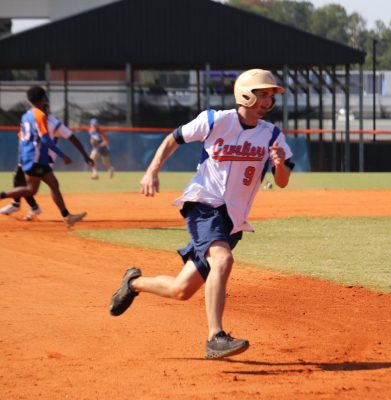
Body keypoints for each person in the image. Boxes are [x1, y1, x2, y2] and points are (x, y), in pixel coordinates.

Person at [109, 69, 294, 360]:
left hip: (232, 220)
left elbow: (281, 181)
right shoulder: (215, 120)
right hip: (203, 204)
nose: (268, 101)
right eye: (263, 94)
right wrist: (152, 170)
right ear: (245, 94)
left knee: (182, 290)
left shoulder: (271, 135)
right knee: (223, 259)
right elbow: (174, 138)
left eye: (271, 97)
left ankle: (133, 283)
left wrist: (279, 163)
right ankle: (215, 337)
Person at [0, 86, 91, 227]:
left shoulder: (26, 115)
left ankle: (67, 216)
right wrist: (62, 155)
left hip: (34, 156)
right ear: (43, 99)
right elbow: (45, 139)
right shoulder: (41, 115)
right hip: (36, 157)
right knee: (31, 189)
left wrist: (22, 160)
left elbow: (23, 138)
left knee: (54, 184)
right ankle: (2, 196)